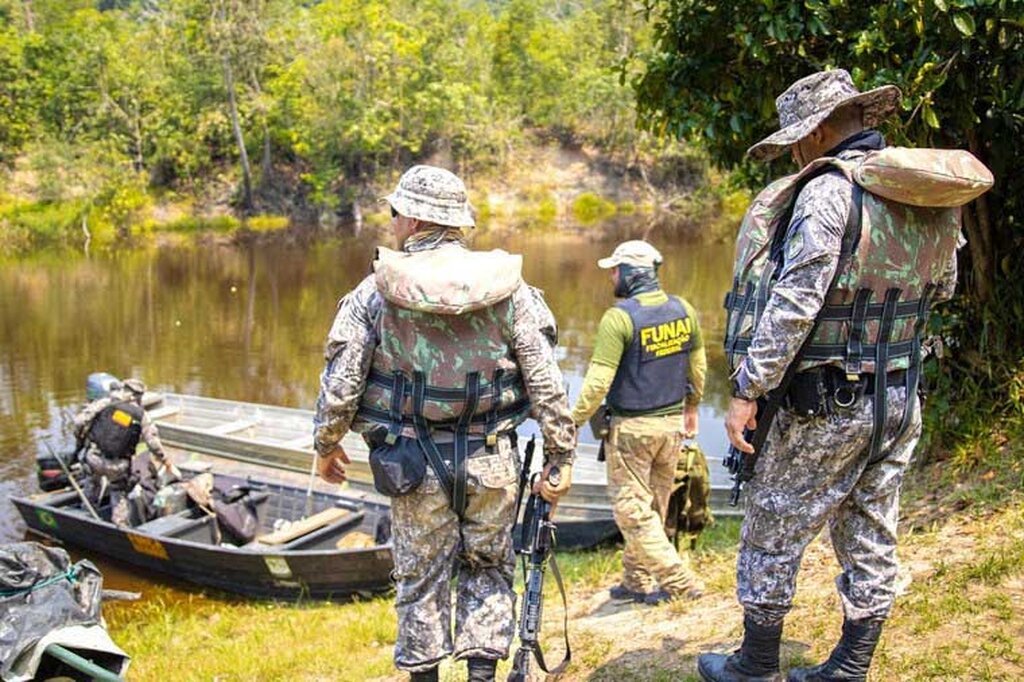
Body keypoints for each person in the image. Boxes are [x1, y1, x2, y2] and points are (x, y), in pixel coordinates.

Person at [698, 69, 965, 682]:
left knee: (772, 522)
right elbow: (943, 285)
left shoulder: (828, 193)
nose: (794, 151)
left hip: (829, 401)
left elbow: (795, 303)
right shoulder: (919, 190)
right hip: (899, 392)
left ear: (819, 129)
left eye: (797, 138)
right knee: (871, 523)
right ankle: (850, 665)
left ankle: (756, 664)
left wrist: (747, 388)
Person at [313, 165, 576, 682]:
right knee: (490, 570)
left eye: (394, 213)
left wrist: (326, 442)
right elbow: (546, 380)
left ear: (412, 219)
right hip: (493, 459)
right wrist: (561, 454)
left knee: (420, 581)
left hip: (411, 463)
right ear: (455, 222)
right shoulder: (510, 288)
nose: (391, 223)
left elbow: (342, 380)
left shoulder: (376, 290)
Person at [570, 240, 706, 605]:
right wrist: (692, 406)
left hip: (632, 430)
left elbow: (598, 381)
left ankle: (678, 581)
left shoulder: (620, 318)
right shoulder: (683, 309)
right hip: (670, 427)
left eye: (614, 269)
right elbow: (698, 368)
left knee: (631, 510)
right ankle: (636, 579)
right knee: (653, 508)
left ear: (630, 274)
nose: (611, 276)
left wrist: (571, 421)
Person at [72, 378, 175, 527]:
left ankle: (86, 518)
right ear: (139, 396)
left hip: (94, 458)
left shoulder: (104, 403)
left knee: (92, 485)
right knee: (118, 493)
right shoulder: (141, 415)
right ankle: (120, 526)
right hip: (118, 465)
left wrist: (81, 440)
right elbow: (153, 443)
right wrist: (165, 460)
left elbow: (79, 422)